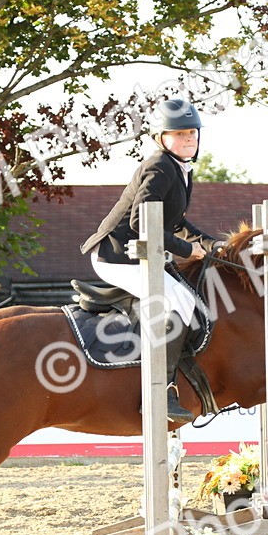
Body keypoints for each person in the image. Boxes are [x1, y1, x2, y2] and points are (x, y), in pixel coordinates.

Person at [80, 97, 219, 423]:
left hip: (143, 254)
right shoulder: (159, 167)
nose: (188, 139)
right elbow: (142, 223)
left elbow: (177, 224)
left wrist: (212, 244)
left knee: (190, 300)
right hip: (117, 256)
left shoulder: (180, 170)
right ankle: (158, 392)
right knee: (178, 303)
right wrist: (187, 251)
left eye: (193, 133)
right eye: (180, 133)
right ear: (162, 137)